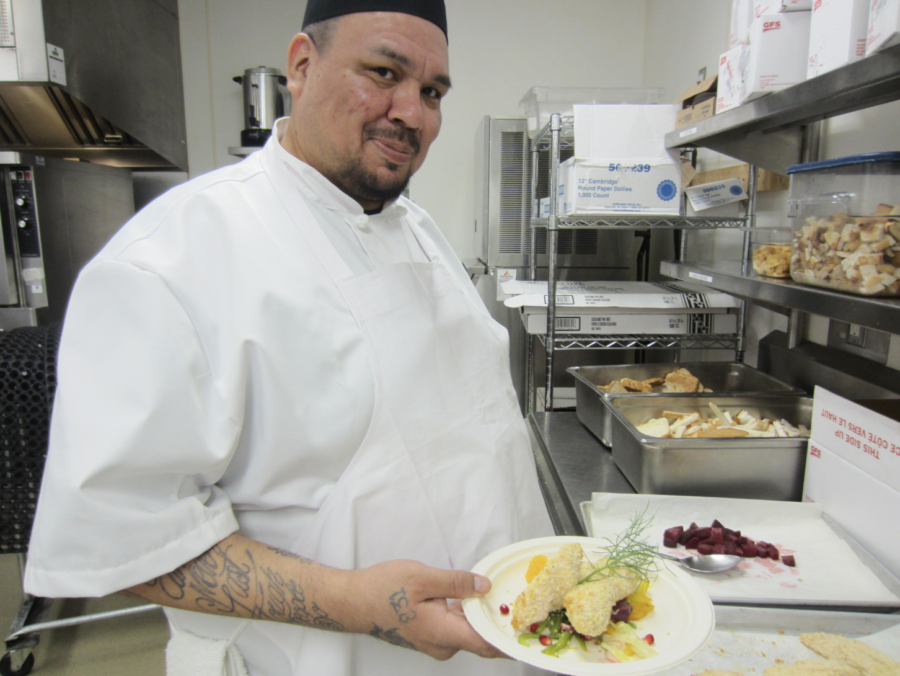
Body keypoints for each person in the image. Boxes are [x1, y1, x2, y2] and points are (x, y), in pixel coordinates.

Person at [23, 1, 553, 674]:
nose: (413, 113)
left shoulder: (416, 228)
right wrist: (354, 601)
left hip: (498, 651)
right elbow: (121, 539)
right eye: (383, 72)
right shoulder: (172, 259)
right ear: (301, 65)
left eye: (432, 92)